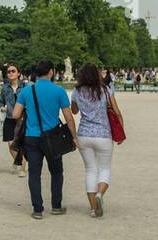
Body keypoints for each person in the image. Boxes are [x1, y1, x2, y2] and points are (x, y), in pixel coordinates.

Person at [11, 61, 78, 219]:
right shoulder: (58, 90)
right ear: (51, 72)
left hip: (31, 136)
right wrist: (74, 136)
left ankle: (37, 209)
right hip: (52, 136)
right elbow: (69, 118)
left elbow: (15, 114)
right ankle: (56, 205)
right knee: (56, 172)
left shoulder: (27, 91)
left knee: (34, 173)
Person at [70, 63, 121, 218]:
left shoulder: (77, 91)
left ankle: (93, 208)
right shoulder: (105, 90)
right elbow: (116, 111)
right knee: (104, 168)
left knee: (90, 170)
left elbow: (74, 111)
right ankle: (100, 194)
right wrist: (121, 131)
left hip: (84, 134)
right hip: (103, 134)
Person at [0, 63, 25, 175]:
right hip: (9, 118)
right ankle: (19, 161)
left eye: (13, 71)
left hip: (23, 118)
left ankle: (22, 168)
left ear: (18, 73)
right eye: (8, 71)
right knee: (11, 145)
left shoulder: (25, 87)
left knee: (22, 144)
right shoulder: (5, 88)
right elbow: (1, 102)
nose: (10, 73)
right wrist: (2, 107)